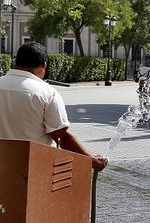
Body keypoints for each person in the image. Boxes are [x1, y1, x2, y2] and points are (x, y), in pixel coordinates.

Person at [0, 43, 108, 171]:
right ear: (43, 65)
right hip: (32, 167)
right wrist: (92, 161)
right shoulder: (47, 93)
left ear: (16, 62)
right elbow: (61, 136)